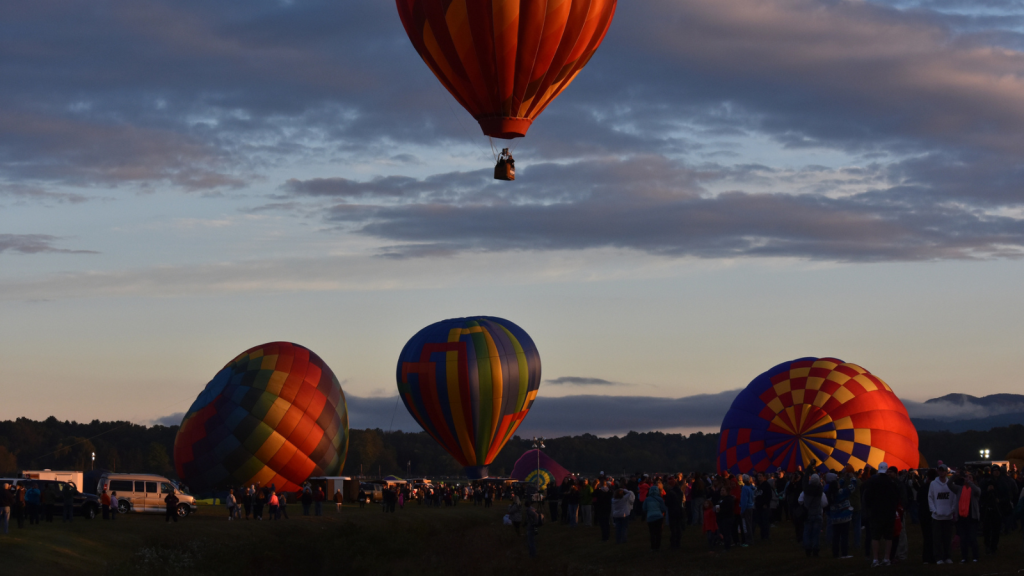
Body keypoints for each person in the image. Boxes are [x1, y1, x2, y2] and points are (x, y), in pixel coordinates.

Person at [864, 462, 900, 566]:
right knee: (889, 537)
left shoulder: (872, 482)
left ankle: (875, 559)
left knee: (875, 537)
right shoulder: (892, 482)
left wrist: (870, 509)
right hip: (889, 513)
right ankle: (887, 558)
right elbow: (897, 498)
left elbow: (867, 498)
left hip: (876, 514)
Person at [928, 463, 957, 564]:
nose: (941, 472)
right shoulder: (933, 484)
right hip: (937, 517)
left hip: (948, 516)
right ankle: (938, 557)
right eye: (940, 470)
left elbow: (954, 499)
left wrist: (952, 510)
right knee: (937, 539)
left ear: (946, 472)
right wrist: (934, 510)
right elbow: (930, 498)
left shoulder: (950, 484)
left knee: (947, 538)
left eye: (943, 470)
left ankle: (947, 556)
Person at [799, 474, 827, 557]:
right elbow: (825, 503)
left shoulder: (805, 491)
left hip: (808, 514)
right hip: (817, 513)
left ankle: (807, 548)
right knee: (816, 533)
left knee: (807, 531)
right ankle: (815, 549)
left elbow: (800, 500)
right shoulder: (820, 491)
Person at [826, 473, 854, 558]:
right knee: (844, 536)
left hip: (835, 519)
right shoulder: (842, 493)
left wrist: (843, 479)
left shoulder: (829, 494)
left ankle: (835, 553)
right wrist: (853, 478)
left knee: (836, 536)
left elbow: (837, 486)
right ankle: (844, 553)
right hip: (844, 518)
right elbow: (852, 488)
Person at [955, 471, 981, 563]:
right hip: (962, 517)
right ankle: (964, 557)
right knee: (963, 539)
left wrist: (969, 482)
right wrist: (955, 475)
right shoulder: (960, 489)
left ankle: (975, 556)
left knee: (972, 538)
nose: (968, 479)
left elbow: (978, 491)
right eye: (967, 477)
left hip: (972, 517)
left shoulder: (975, 490)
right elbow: (949, 485)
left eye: (970, 477)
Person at [918, 469, 937, 564]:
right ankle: (934, 556)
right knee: (934, 536)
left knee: (927, 537)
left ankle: (926, 557)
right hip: (933, 514)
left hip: (924, 515)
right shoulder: (935, 488)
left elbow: (918, 500)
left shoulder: (923, 488)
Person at [642, 485, 667, 551]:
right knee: (658, 532)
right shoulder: (660, 499)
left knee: (652, 532)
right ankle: (658, 546)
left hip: (650, 517)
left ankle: (653, 547)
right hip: (659, 517)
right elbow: (663, 508)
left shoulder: (647, 499)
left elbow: (644, 508)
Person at [981, 481, 1002, 555]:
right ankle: (988, 546)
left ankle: (993, 546)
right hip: (988, 513)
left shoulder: (996, 492)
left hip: (995, 513)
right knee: (987, 531)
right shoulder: (986, 493)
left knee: (995, 531)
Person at [664, 477, 685, 549]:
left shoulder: (670, 493)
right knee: (678, 526)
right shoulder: (680, 491)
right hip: (679, 510)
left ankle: (673, 543)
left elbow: (667, 503)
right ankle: (678, 542)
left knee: (673, 528)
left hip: (672, 511)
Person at [717, 486, 737, 550]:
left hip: (727, 518)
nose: (721, 492)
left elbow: (729, 509)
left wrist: (721, 510)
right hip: (721, 518)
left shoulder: (728, 499)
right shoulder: (721, 499)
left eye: (723, 490)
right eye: (721, 490)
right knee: (723, 532)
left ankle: (727, 547)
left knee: (727, 533)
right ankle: (725, 544)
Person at [593, 477, 613, 542]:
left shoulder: (599, 491)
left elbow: (593, 495)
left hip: (601, 508)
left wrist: (596, 487)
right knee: (607, 523)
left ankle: (604, 537)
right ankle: (607, 536)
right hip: (607, 508)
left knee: (602, 523)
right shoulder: (609, 491)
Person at [754, 472, 772, 541]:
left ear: (764, 477)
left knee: (765, 521)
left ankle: (766, 536)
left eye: (760, 476)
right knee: (760, 521)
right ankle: (762, 535)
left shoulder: (766, 485)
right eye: (758, 476)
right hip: (759, 505)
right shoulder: (759, 485)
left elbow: (769, 495)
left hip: (764, 506)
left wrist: (766, 504)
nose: (759, 477)